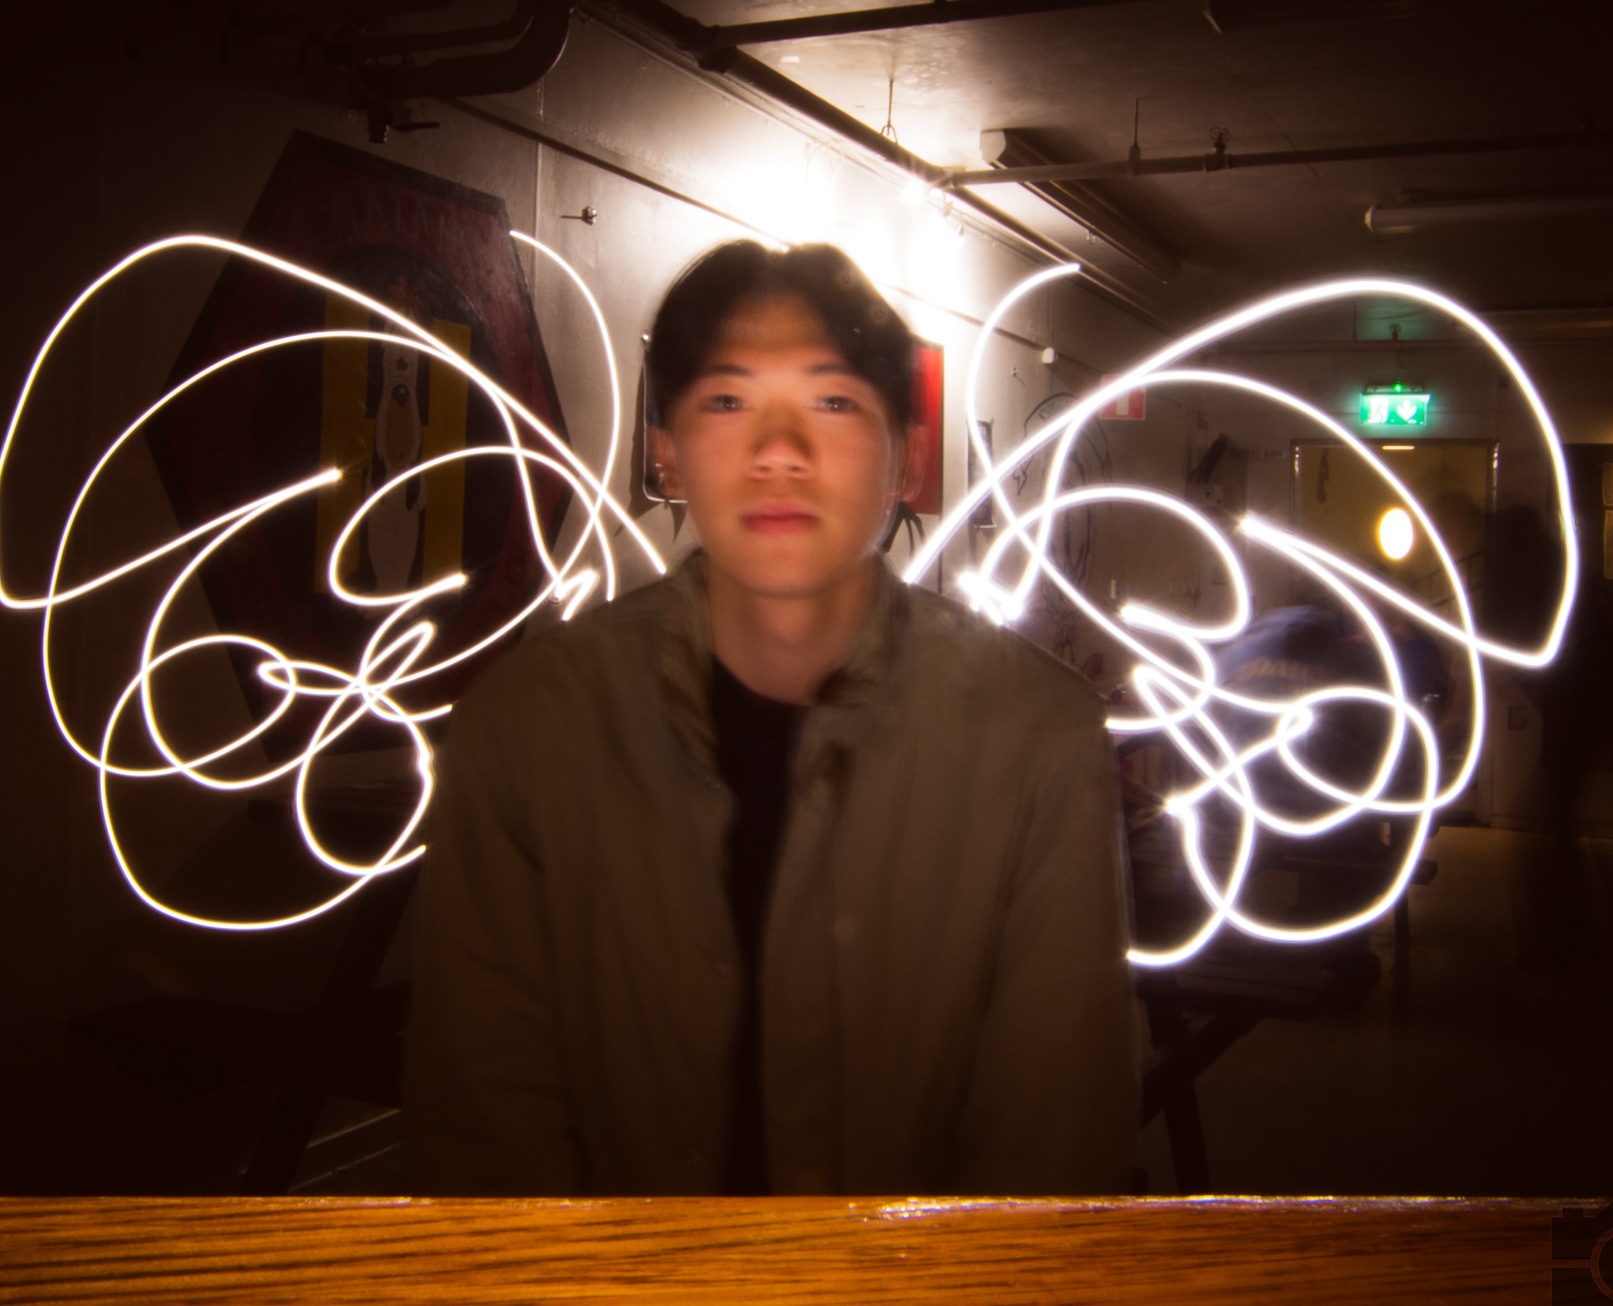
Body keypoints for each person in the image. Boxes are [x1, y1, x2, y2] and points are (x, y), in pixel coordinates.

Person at [405, 240, 1137, 1195]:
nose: (779, 449)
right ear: (665, 449)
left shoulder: (1036, 737)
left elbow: (1052, 1152)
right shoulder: (528, 729)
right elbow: (484, 1150)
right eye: (727, 400)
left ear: (908, 456)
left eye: (832, 402)